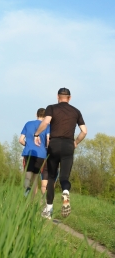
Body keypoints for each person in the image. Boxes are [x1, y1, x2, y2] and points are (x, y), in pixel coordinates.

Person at [34, 88, 87, 219]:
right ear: (70, 98)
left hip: (54, 145)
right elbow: (84, 131)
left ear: (58, 97)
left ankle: (48, 210)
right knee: (64, 177)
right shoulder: (76, 111)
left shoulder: (51, 108)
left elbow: (46, 122)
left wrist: (36, 134)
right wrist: (76, 143)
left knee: (51, 178)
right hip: (69, 145)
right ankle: (65, 191)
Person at [19, 108, 50, 199]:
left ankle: (27, 188)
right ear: (45, 116)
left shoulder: (28, 124)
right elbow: (48, 141)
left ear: (36, 114)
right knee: (36, 177)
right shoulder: (47, 126)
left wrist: (28, 144)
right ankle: (31, 202)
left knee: (28, 176)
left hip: (28, 152)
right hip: (41, 154)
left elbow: (21, 140)